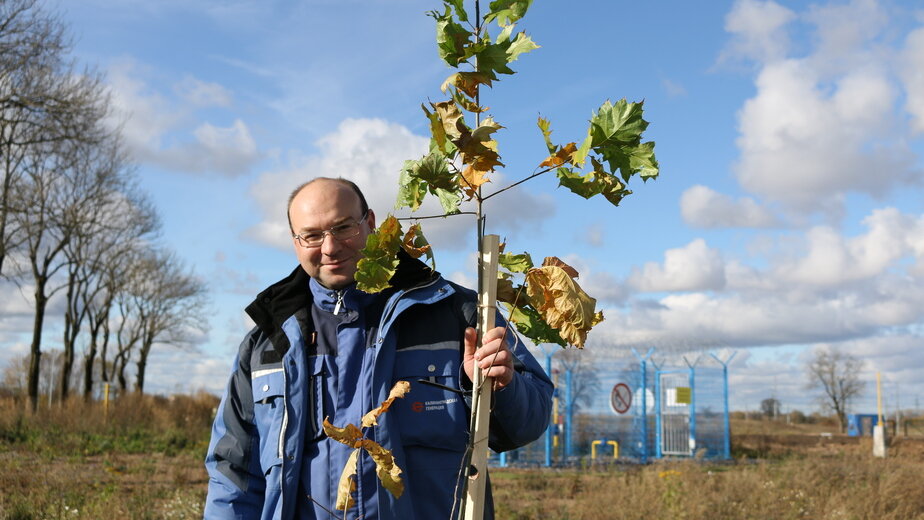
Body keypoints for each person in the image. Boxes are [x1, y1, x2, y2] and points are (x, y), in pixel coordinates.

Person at [204, 177, 553, 520]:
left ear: (370, 223)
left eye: (343, 228)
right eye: (311, 235)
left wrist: (502, 386)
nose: (329, 247)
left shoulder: (458, 314)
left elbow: (528, 423)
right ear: (295, 241)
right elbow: (233, 472)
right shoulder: (267, 342)